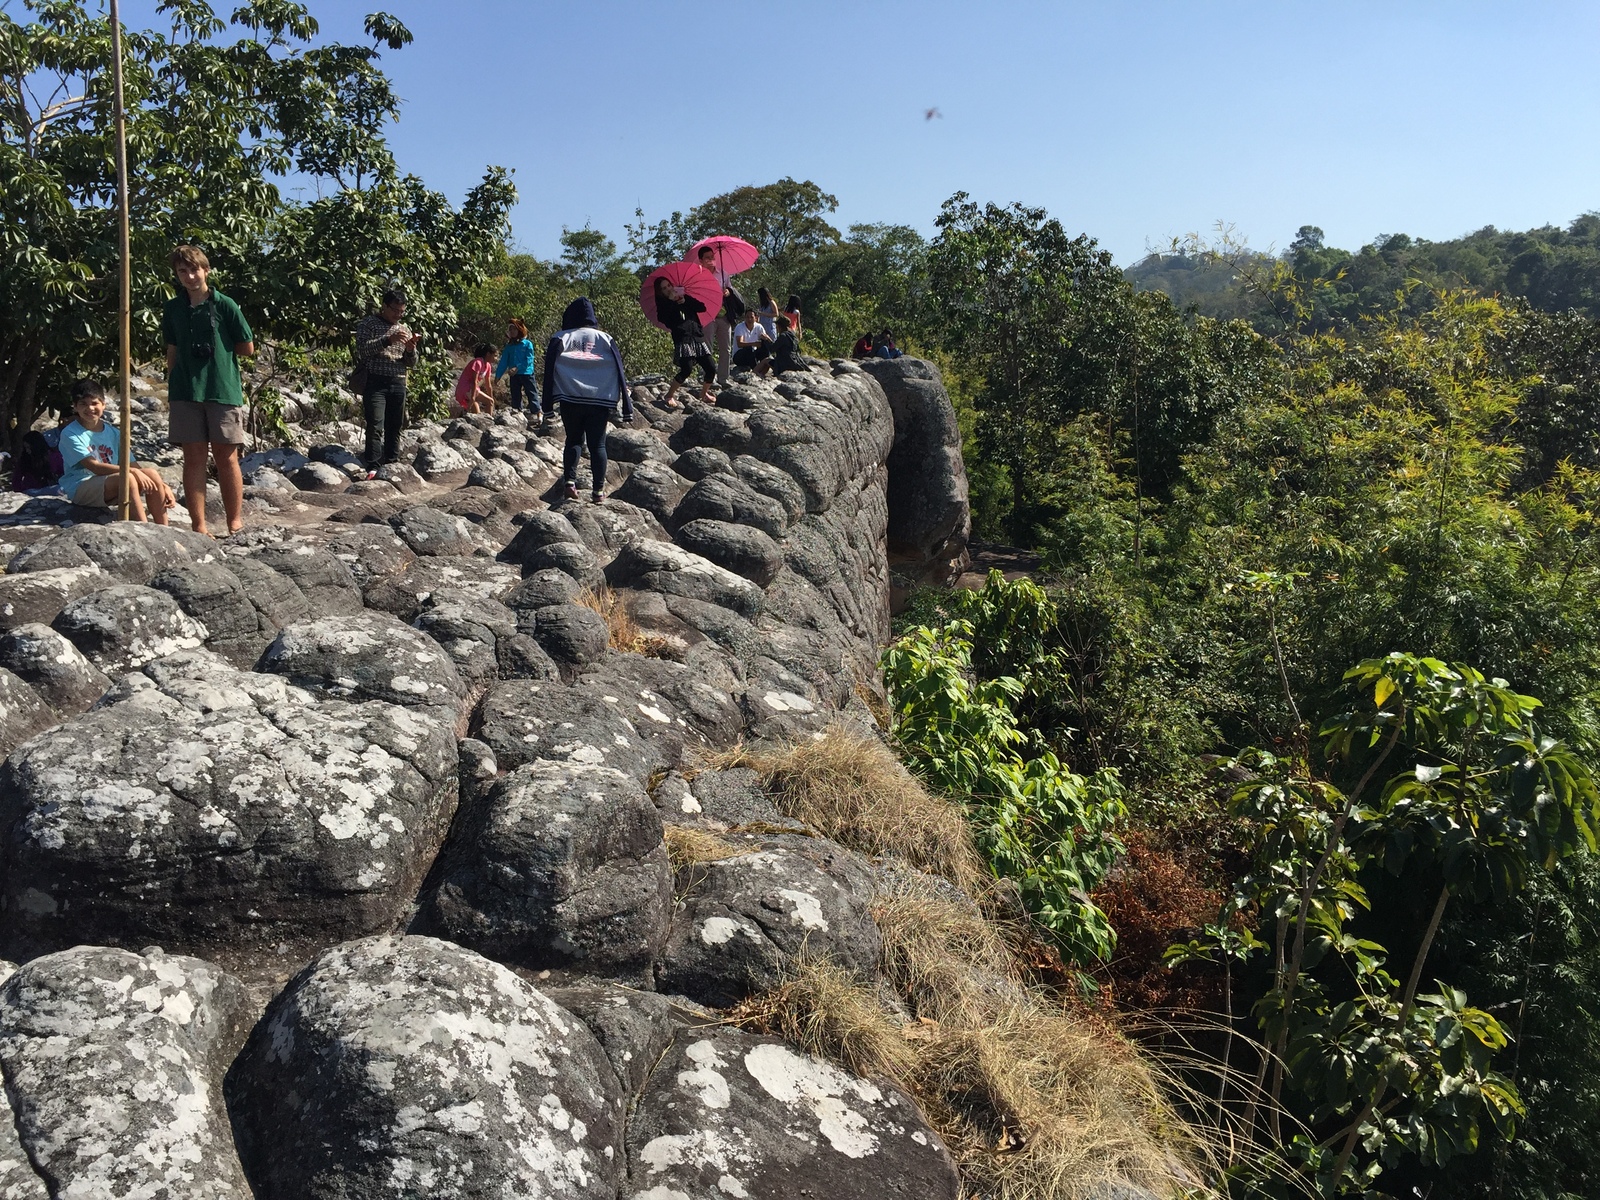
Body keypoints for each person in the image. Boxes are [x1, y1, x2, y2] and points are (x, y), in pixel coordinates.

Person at [163, 244, 253, 535]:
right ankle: (198, 525)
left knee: (227, 457)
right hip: (185, 391)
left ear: (206, 270)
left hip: (221, 388)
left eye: (194, 269)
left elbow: (246, 347)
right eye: (183, 271)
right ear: (177, 275)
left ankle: (234, 521)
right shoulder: (173, 307)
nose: (189, 276)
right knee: (194, 458)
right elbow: (172, 348)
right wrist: (173, 378)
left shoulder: (224, 304)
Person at [543, 297, 634, 503]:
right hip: (599, 399)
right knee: (598, 445)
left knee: (573, 440)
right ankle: (598, 492)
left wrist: (547, 405)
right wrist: (626, 405)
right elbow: (619, 370)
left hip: (570, 397)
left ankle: (569, 483)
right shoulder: (606, 338)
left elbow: (549, 371)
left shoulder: (560, 337)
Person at [59, 379, 174, 522]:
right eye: (83, 404)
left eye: (94, 403)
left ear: (103, 404)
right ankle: (142, 528)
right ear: (75, 407)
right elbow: (94, 466)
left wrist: (162, 486)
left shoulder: (114, 433)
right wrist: (131, 472)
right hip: (81, 486)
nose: (90, 409)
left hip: (110, 484)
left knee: (151, 473)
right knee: (127, 479)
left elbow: (133, 465)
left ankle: (163, 529)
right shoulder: (70, 433)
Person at [352, 288, 418, 471]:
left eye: (402, 312)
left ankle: (391, 463)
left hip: (398, 381)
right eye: (395, 310)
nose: (398, 315)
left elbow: (411, 363)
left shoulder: (404, 329)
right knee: (375, 423)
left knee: (395, 425)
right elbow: (363, 350)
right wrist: (388, 340)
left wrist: (411, 350)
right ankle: (372, 465)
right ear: (385, 306)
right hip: (375, 380)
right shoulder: (369, 324)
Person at [657, 277, 715, 408]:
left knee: (711, 368)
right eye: (664, 288)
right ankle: (669, 395)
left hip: (697, 337)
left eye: (668, 286)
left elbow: (702, 307)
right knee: (686, 369)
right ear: (661, 292)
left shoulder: (684, 297)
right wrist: (672, 303)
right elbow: (664, 320)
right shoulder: (664, 305)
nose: (668, 289)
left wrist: (685, 301)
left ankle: (704, 394)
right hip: (682, 339)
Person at [698, 244, 734, 387]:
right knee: (707, 347)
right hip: (707, 315)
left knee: (726, 348)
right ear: (701, 260)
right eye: (707, 258)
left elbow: (730, 289)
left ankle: (723, 378)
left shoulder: (723, 273)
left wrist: (727, 292)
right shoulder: (698, 275)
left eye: (712, 257)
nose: (710, 260)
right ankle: (708, 377)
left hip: (724, 314)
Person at [495, 319, 541, 419]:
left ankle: (538, 414)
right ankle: (517, 415)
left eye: (514, 329)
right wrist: (498, 376)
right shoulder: (509, 346)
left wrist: (517, 367)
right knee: (515, 395)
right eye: (510, 329)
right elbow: (503, 361)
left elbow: (529, 359)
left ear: (520, 330)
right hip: (514, 375)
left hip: (527, 373)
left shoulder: (527, 344)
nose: (512, 331)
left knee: (531, 393)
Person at [455, 344, 495, 414]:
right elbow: (474, 381)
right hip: (466, 389)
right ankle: (490, 422)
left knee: (477, 413)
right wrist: (473, 397)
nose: (496, 358)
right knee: (489, 402)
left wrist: (491, 397)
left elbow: (488, 385)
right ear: (488, 354)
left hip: (472, 390)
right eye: (495, 355)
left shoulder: (488, 366)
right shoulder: (477, 362)